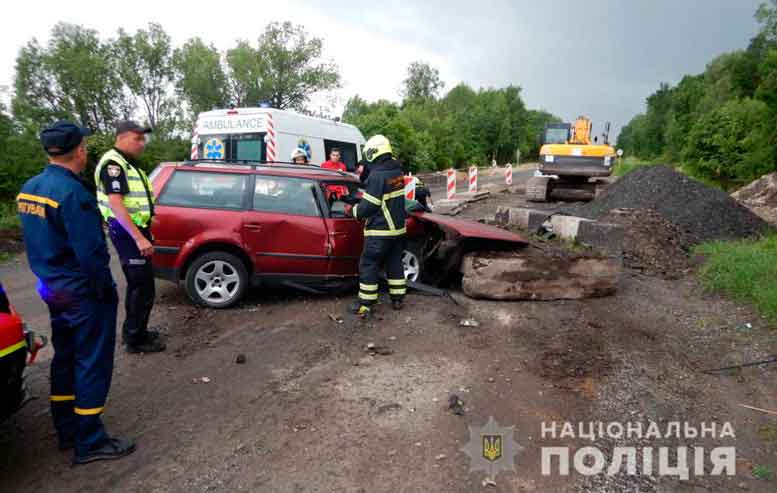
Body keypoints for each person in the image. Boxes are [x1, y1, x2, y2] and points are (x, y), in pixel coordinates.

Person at [17, 121, 135, 464]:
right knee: (92, 361)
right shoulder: (73, 194)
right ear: (80, 151)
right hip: (83, 292)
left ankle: (67, 428)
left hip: (52, 288)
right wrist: (104, 291)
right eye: (84, 145)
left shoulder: (30, 188)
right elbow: (91, 253)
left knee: (66, 357)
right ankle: (90, 440)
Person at [94, 121, 165, 354]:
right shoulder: (113, 164)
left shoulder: (126, 163)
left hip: (134, 230)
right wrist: (138, 238)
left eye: (143, 139)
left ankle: (137, 331)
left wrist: (147, 221)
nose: (142, 144)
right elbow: (116, 203)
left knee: (142, 285)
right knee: (141, 286)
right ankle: (135, 340)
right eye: (138, 139)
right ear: (122, 137)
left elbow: (132, 201)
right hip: (127, 233)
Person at [348, 135, 407, 317]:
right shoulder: (397, 172)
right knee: (394, 262)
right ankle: (397, 299)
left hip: (380, 231)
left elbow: (370, 206)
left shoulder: (377, 175)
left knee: (369, 264)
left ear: (372, 152)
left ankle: (366, 303)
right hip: (398, 230)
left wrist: (353, 211)